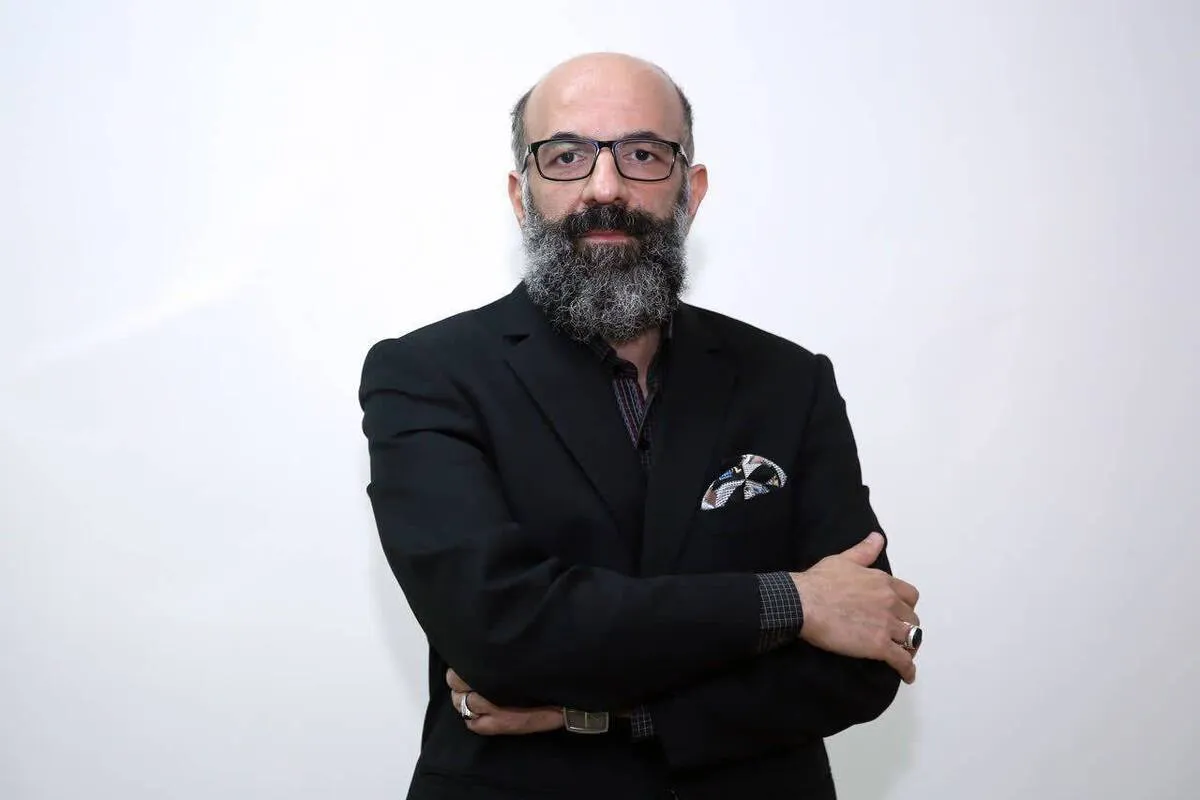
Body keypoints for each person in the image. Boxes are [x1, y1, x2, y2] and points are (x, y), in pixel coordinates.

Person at [359, 52, 922, 800]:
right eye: (566, 156)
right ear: (522, 196)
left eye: (643, 154)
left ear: (692, 191)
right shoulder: (426, 376)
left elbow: (864, 653)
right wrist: (793, 602)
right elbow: (501, 631)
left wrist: (604, 715)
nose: (605, 188)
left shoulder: (790, 380)